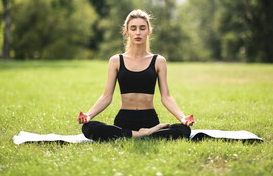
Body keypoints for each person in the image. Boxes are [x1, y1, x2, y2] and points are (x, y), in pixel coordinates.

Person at [77, 9, 194, 141]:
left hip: (149, 119)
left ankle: (134, 134)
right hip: (124, 120)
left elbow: (166, 97)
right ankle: (143, 134)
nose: (138, 32)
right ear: (127, 32)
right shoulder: (116, 60)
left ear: (149, 31)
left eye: (142, 28)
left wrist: (182, 118)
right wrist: (89, 115)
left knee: (184, 130)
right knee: (88, 128)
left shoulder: (158, 61)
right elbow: (106, 97)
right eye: (133, 28)